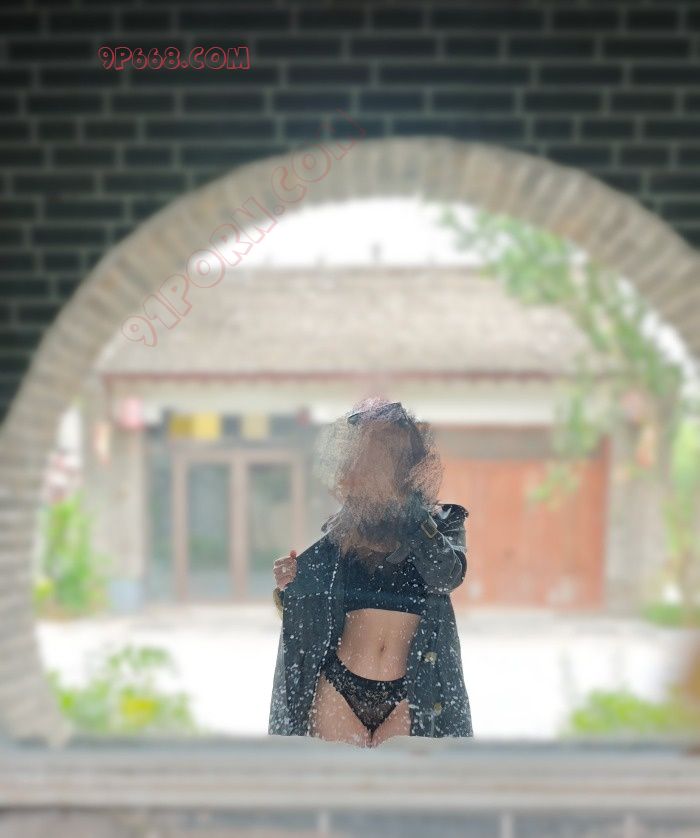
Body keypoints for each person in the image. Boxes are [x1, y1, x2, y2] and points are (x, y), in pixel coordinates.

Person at [268, 397, 473, 747]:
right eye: (368, 453)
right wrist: (286, 584)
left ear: (407, 461)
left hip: (410, 691)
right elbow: (308, 605)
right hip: (338, 686)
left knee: (397, 785)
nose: (374, 462)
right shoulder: (346, 528)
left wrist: (412, 510)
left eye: (387, 452)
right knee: (338, 782)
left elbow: (446, 576)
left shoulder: (442, 523)